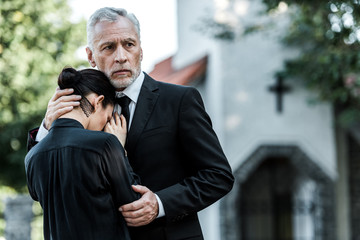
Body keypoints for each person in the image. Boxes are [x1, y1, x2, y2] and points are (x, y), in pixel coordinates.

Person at [27, 7, 234, 240]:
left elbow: (218, 176)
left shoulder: (179, 100)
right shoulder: (80, 109)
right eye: (108, 47)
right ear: (91, 56)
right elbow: (42, 190)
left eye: (129, 44)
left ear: (141, 50)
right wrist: (47, 126)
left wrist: (160, 203)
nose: (121, 56)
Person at [25, 67, 140, 240]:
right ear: (97, 101)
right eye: (108, 116)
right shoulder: (105, 143)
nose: (105, 125)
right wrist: (119, 149)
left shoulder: (32, 157)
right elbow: (134, 204)